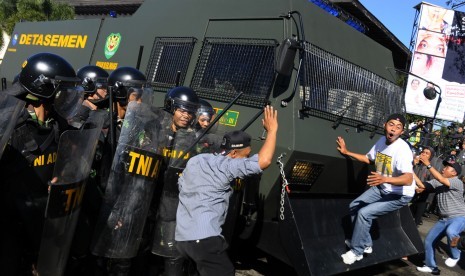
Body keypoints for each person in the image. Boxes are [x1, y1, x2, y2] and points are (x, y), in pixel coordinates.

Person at [0, 52, 81, 274]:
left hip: (44, 223)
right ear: (44, 89)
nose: (68, 96)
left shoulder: (58, 124)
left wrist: (64, 176)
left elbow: (73, 161)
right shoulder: (7, 124)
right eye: (62, 90)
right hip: (9, 225)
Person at [175, 105, 278, 276]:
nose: (247, 159)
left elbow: (181, 185)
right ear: (234, 153)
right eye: (247, 154)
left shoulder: (197, 160)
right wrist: (272, 131)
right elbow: (264, 161)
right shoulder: (227, 166)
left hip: (183, 240)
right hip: (205, 240)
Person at [336, 113, 414, 265]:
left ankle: (356, 251)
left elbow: (408, 179)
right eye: (391, 124)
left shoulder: (402, 150)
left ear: (401, 132)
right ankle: (365, 244)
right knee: (355, 206)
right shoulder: (381, 141)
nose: (393, 129)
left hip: (400, 194)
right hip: (382, 187)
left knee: (364, 214)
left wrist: (385, 179)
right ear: (385, 125)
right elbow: (368, 158)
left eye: (398, 128)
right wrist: (347, 152)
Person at [150, 86, 200, 276]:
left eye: (190, 111)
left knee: (173, 253)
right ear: (171, 108)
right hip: (149, 199)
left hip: (173, 204)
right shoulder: (155, 132)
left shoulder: (194, 140)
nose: (186, 115)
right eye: (182, 110)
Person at [415, 157, 465, 274]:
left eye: (447, 167)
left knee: (451, 232)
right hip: (443, 219)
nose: (443, 169)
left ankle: (456, 255)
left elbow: (440, 178)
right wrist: (410, 172)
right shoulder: (438, 182)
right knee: (428, 241)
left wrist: (428, 165)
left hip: (459, 217)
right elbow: (422, 185)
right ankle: (431, 266)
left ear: (454, 173)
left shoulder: (457, 182)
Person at [410, 147, 435, 226]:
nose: (423, 154)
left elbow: (432, 183)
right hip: (411, 191)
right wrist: (413, 164)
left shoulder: (431, 168)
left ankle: (416, 222)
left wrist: (422, 188)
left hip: (423, 195)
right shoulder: (416, 164)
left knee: (420, 205)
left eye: (427, 153)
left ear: (430, 157)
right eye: (423, 152)